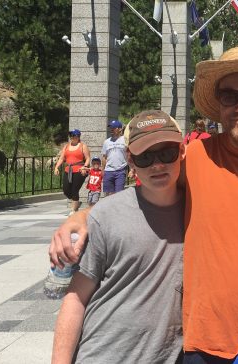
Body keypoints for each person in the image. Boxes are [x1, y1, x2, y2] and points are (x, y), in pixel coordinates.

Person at [50, 46, 238, 363]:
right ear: (218, 104)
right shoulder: (194, 159)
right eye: (230, 96)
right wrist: (86, 215)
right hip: (204, 346)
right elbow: (148, 196)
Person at [51, 109, 186, 363]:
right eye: (145, 157)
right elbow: (76, 298)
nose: (157, 165)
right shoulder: (106, 215)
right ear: (130, 160)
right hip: (104, 353)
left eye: (166, 153)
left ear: (181, 152)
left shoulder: (198, 212)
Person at [53, 129, 90, 216]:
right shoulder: (66, 146)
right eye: (71, 136)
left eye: (73, 135)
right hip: (68, 170)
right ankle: (76, 201)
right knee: (66, 190)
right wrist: (56, 167)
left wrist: (85, 166)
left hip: (79, 170)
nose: (71, 137)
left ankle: (74, 210)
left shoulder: (82, 146)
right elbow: (62, 158)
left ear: (78, 137)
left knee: (74, 189)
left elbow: (88, 158)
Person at [102, 119, 128, 196]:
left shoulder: (125, 140)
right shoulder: (106, 142)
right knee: (108, 194)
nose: (111, 129)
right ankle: (109, 208)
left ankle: (118, 208)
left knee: (119, 194)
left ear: (120, 129)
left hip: (120, 171)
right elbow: (104, 157)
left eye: (114, 128)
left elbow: (130, 154)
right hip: (108, 171)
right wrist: (103, 169)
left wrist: (132, 169)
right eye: (111, 128)